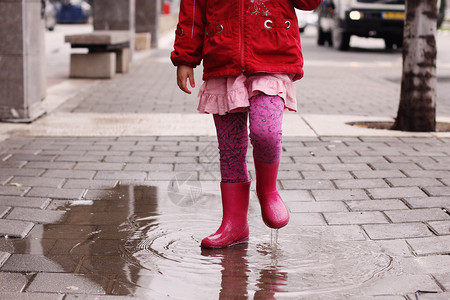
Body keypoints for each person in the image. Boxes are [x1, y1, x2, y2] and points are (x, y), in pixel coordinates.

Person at [171, 0, 322, 249]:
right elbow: (193, 9)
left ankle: (268, 191)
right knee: (230, 150)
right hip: (223, 57)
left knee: (266, 132)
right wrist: (185, 57)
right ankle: (234, 224)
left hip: (271, 55)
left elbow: (308, 3)